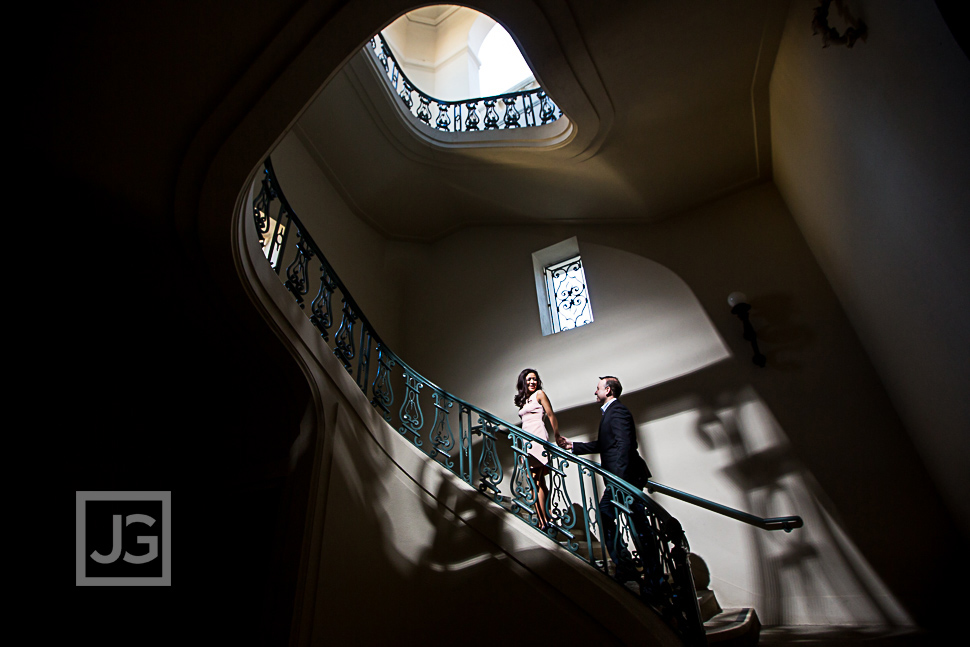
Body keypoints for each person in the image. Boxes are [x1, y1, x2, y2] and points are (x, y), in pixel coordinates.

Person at [558, 376, 659, 587]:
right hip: (620, 480)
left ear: (609, 391)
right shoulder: (611, 413)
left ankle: (651, 576)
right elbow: (606, 445)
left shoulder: (618, 412)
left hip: (624, 480)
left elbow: (625, 445)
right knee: (612, 518)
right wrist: (573, 446)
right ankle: (627, 566)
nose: (595, 392)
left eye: (598, 389)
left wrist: (619, 481)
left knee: (637, 527)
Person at [514, 368, 562, 531]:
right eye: (529, 379)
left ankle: (543, 520)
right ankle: (546, 514)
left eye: (534, 379)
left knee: (535, 478)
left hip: (538, 437)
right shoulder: (523, 399)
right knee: (539, 480)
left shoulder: (539, 394)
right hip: (526, 440)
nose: (532, 382)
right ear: (523, 382)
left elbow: (550, 414)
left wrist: (557, 435)